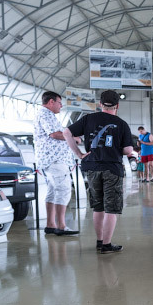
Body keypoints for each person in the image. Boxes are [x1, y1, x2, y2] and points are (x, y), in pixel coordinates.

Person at [63, 90, 136, 254]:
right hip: (112, 169)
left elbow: (66, 132)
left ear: (100, 104)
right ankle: (107, 244)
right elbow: (127, 150)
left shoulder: (88, 119)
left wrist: (80, 154)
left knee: (98, 207)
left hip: (92, 168)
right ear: (117, 105)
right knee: (111, 208)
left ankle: (99, 241)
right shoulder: (122, 124)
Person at [32, 91, 79, 236]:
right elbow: (54, 134)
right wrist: (74, 138)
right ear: (51, 102)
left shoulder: (46, 114)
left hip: (50, 160)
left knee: (53, 191)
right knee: (63, 190)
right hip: (54, 160)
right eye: (59, 102)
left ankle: (51, 225)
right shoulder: (46, 114)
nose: (61, 106)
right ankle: (61, 226)